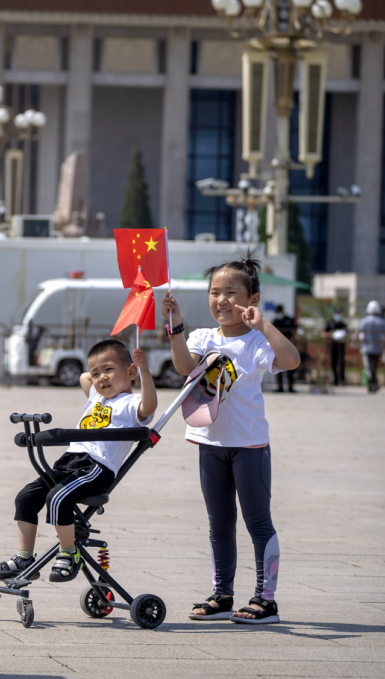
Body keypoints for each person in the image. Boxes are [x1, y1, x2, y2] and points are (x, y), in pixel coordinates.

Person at [162, 252, 300, 625]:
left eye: (230, 292)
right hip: (210, 444)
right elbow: (185, 369)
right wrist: (175, 328)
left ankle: (265, 600)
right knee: (219, 523)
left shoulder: (256, 342)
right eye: (214, 292)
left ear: (251, 300)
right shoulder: (203, 336)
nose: (221, 300)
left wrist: (265, 325)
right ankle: (222, 595)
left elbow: (291, 361)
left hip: (249, 446)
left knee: (258, 522)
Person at [0, 339, 156, 583]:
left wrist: (143, 371)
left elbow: (149, 405)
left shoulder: (130, 404)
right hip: (69, 461)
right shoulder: (97, 397)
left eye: (109, 370)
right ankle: (25, 558)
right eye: (97, 373)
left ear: (131, 373)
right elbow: (84, 378)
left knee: (57, 498)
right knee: (26, 496)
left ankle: (69, 553)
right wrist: (100, 372)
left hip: (96, 467)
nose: (101, 378)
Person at [358, 301, 385, 393]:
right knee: (374, 366)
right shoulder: (382, 321)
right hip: (378, 348)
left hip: (367, 348)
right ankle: (373, 384)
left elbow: (359, 333)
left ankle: (373, 384)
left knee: (369, 367)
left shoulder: (365, 320)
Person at [271, 305, 298, 393]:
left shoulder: (289, 320)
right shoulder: (275, 321)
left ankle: (290, 386)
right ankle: (280, 387)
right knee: (278, 366)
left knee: (290, 366)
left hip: (289, 345)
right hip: (278, 347)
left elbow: (294, 331)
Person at [323, 308, 348, 386]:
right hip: (332, 345)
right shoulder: (330, 323)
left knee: (341, 362)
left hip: (340, 345)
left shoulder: (343, 324)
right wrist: (330, 335)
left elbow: (347, 333)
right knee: (333, 363)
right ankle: (335, 380)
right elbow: (323, 333)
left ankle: (342, 380)